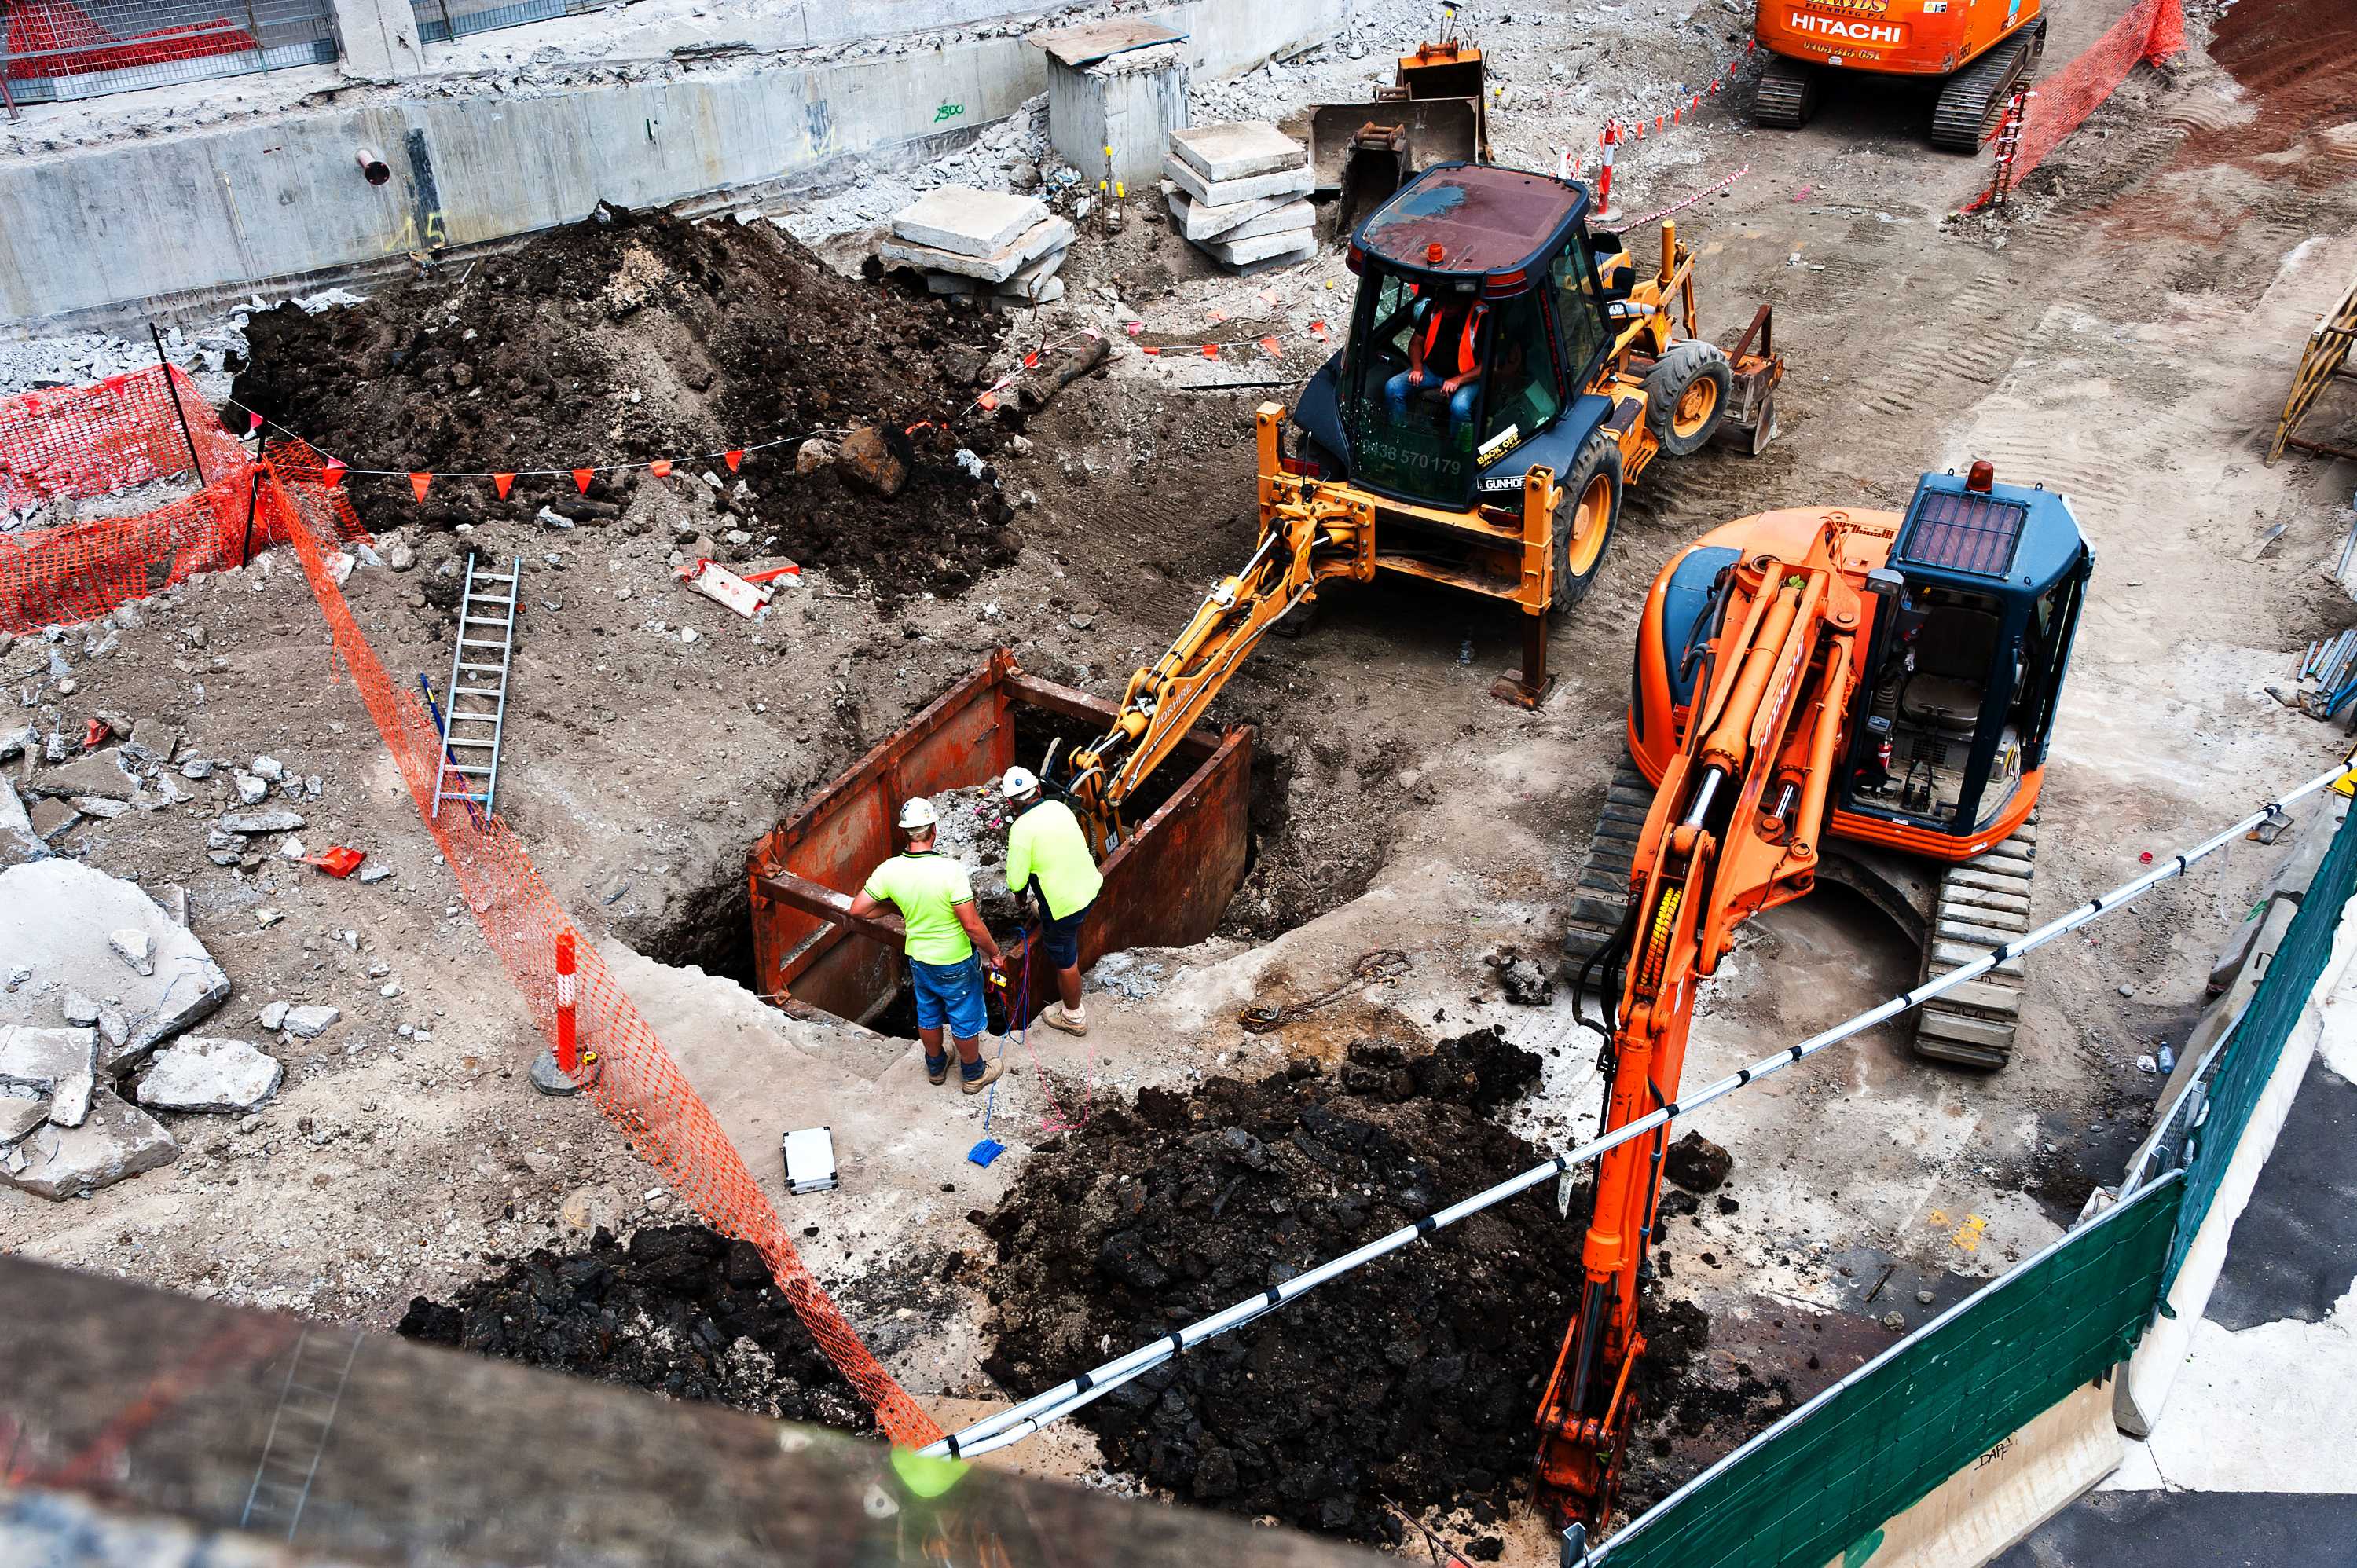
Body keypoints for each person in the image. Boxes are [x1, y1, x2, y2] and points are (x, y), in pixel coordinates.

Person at [847, 797, 1006, 1094]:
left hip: (919, 958)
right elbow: (971, 925)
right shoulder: (950, 871)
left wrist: (899, 908)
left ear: (906, 833)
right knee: (964, 1014)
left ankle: (936, 1066)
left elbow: (858, 910)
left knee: (929, 1013)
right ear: (933, 829)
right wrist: (995, 954)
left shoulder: (890, 870)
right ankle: (973, 1073)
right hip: (954, 960)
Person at [999, 766, 1105, 1036]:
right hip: (1089, 888)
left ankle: (1073, 1017)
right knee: (1053, 918)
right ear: (1037, 789)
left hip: (1066, 908)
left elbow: (1016, 881)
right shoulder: (1060, 808)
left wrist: (1021, 896)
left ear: (1011, 803)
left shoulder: (1021, 829)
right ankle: (1046, 911)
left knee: (1065, 960)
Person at [1384, 294, 1488, 432]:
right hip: (1432, 371)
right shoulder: (1435, 307)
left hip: (1467, 377)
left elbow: (1487, 366)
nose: (1444, 310)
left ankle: (1457, 446)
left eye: (1450, 307)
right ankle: (1399, 432)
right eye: (1443, 305)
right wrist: (1417, 368)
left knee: (1460, 407)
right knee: (1393, 387)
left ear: (1463, 302)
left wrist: (1458, 379)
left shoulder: (1481, 317)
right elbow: (1416, 342)